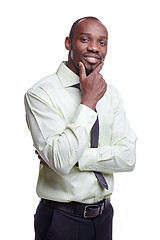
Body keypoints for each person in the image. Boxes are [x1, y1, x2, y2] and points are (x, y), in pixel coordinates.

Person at [24, 16, 137, 240]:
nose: (94, 47)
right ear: (68, 43)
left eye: (102, 42)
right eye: (85, 39)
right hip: (61, 219)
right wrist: (88, 102)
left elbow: (128, 157)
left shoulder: (111, 93)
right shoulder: (41, 94)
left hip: (104, 216)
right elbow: (60, 162)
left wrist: (76, 158)